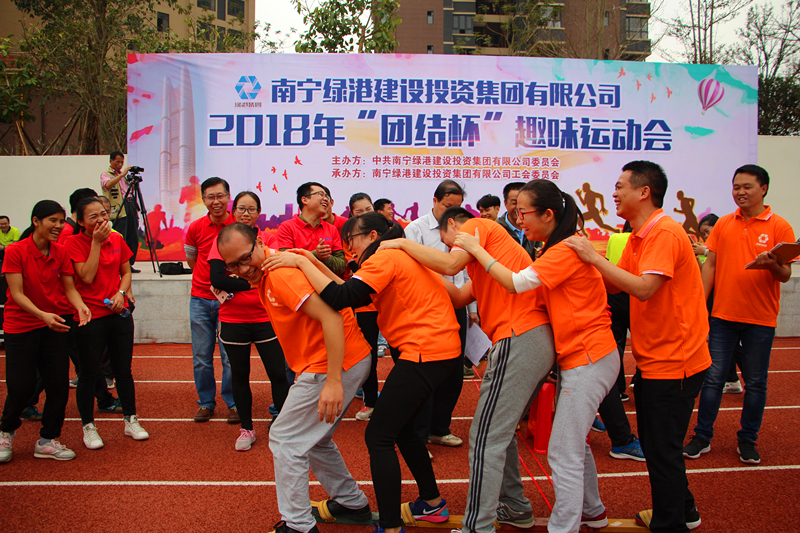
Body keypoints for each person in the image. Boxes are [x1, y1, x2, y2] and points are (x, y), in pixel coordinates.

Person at [265, 212, 462, 533]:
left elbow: (338, 298)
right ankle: (431, 504)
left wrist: (302, 262)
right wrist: (309, 259)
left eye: (351, 241)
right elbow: (348, 292)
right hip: (440, 350)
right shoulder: (400, 256)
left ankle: (390, 526)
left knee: (378, 437)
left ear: (372, 236)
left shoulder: (385, 258)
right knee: (404, 430)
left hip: (424, 352)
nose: (350, 250)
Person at [450, 181, 619, 533]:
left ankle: (562, 527)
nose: (518, 219)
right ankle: (592, 511)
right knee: (572, 443)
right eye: (515, 211)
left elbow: (514, 282)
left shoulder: (563, 250)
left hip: (587, 355)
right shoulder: (555, 250)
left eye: (522, 212)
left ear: (548, 214)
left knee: (562, 450)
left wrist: (476, 249)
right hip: (578, 354)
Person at [378, 206, 558, 533]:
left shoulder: (477, 226)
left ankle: (478, 526)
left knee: (484, 435)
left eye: (448, 242)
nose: (450, 249)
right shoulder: (485, 264)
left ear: (452, 225)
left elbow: (450, 265)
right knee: (499, 431)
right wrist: (416, 268)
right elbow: (459, 296)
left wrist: (403, 244)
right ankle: (514, 506)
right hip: (528, 339)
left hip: (519, 337)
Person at [564, 160, 711, 532]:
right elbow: (616, 284)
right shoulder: (637, 236)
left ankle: (670, 522)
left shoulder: (664, 232)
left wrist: (592, 256)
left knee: (662, 450)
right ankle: (684, 511)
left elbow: (644, 289)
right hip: (656, 359)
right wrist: (577, 262)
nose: (613, 193)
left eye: (620, 186)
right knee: (661, 446)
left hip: (675, 361)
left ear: (644, 192)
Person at [217, 223, 373, 533]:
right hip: (344, 359)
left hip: (332, 363)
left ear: (259, 242)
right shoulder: (274, 267)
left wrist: (333, 380)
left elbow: (331, 317)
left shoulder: (279, 274)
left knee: (285, 438)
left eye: (246, 258)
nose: (242, 269)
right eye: (232, 265)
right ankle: (351, 503)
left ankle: (299, 525)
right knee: (314, 440)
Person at [685, 164, 795, 465]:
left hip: (760, 319)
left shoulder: (780, 227)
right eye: (736, 187)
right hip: (723, 316)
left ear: (763, 189)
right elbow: (710, 265)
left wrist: (772, 264)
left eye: (747, 187)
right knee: (713, 379)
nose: (740, 192)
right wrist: (699, 305)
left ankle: (747, 439)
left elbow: (785, 274)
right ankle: (702, 436)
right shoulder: (723, 224)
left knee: (755, 382)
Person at [0, 201, 91, 463]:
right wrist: (42, 315)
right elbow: (17, 294)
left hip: (54, 325)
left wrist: (80, 306)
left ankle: (48, 440)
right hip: (21, 326)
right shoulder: (15, 251)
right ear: (36, 221)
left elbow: (69, 288)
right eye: (53, 220)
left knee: (58, 385)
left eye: (61, 221)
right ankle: (6, 431)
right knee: (21, 387)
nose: (59, 226)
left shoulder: (60, 252)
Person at [208, 192, 290, 450]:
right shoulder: (223, 241)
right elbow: (217, 279)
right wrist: (253, 279)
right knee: (239, 375)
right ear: (233, 212)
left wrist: (236, 280)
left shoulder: (268, 238)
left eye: (251, 209)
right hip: (233, 319)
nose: (246, 213)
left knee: (278, 374)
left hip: (266, 316)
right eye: (241, 208)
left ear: (258, 213)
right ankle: (246, 428)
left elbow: (272, 270)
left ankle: (282, 423)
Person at [67, 197, 149, 449]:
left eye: (104, 214)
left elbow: (126, 272)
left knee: (123, 371)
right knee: (89, 374)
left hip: (118, 314)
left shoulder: (116, 238)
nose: (102, 219)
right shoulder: (72, 243)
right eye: (93, 217)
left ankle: (131, 420)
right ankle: (88, 427)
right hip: (89, 317)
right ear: (80, 221)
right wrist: (96, 242)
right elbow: (86, 276)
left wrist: (121, 293)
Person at [403, 179, 475, 444]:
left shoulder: (464, 229)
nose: (451, 212)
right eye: (447, 206)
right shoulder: (416, 229)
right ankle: (419, 436)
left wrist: (472, 307)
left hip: (458, 304)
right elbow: (414, 269)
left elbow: (468, 271)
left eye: (457, 207)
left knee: (454, 372)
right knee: (429, 371)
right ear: (434, 201)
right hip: (429, 308)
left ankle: (440, 428)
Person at [184, 177, 237, 423]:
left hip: (230, 301)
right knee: (201, 357)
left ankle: (233, 403)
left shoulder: (237, 225)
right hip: (200, 299)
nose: (216, 201)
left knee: (230, 357)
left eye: (220, 196)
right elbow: (192, 260)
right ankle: (205, 402)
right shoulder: (195, 228)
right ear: (204, 200)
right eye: (210, 197)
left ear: (228, 197)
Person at [345, 193, 381, 421]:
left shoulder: (385, 236)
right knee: (370, 356)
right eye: (360, 211)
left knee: (401, 353)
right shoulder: (352, 238)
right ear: (352, 214)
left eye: (369, 209)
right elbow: (356, 270)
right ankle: (371, 402)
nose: (365, 214)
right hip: (366, 307)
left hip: (389, 305)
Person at [277, 182, 345, 276]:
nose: (326, 199)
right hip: (298, 282)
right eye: (321, 194)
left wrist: (325, 257)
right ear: (305, 200)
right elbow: (285, 261)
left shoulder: (332, 229)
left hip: (326, 283)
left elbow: (341, 266)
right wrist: (315, 255)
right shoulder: (287, 227)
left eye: (327, 196)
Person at [100, 151, 140, 272]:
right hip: (119, 207)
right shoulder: (106, 174)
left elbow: (129, 190)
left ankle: (129, 264)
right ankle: (118, 263)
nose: (120, 165)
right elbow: (107, 185)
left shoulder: (123, 177)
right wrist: (122, 175)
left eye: (122, 162)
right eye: (117, 162)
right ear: (111, 161)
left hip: (130, 204)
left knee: (133, 235)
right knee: (121, 236)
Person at [496, 182, 541, 258]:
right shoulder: (496, 228)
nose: (518, 207)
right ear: (505, 203)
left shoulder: (535, 227)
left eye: (523, 203)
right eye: (514, 203)